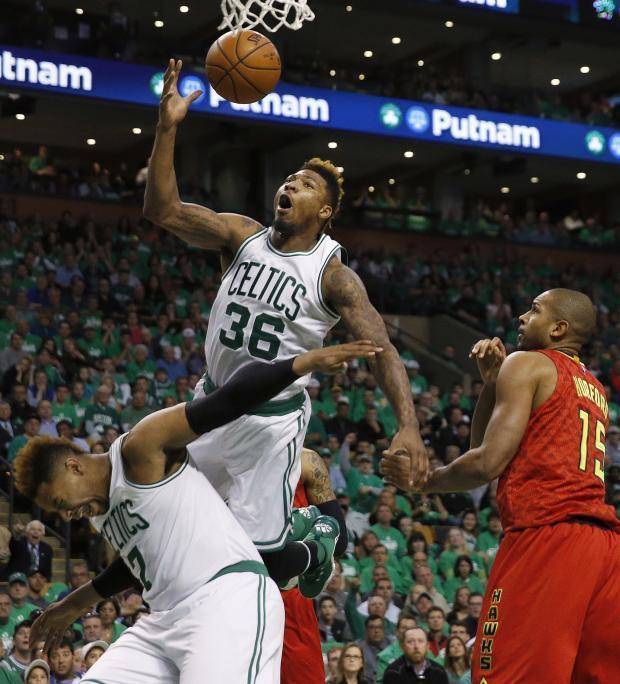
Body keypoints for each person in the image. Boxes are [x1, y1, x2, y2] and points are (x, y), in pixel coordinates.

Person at [144, 59, 427, 595]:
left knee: (263, 566)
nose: (290, 185)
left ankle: (317, 539)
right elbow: (162, 210)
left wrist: (408, 426)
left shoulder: (335, 277)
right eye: (289, 179)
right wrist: (168, 126)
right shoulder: (241, 235)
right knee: (162, 525)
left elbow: (383, 349)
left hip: (269, 425)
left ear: (324, 212)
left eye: (305, 185)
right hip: (210, 403)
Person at [16, 344, 375, 682]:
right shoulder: (99, 510)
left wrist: (303, 363)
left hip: (227, 600)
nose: (67, 516)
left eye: (61, 504)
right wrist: (75, 602)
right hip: (164, 621)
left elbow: (229, 400)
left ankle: (313, 549)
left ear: (73, 467)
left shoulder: (142, 448)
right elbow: (138, 562)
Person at [382, 289, 620, 683]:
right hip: (604, 548)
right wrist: (491, 385)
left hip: (548, 536)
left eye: (535, 310)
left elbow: (487, 462)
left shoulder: (527, 363)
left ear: (559, 328)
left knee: (503, 673)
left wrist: (424, 482)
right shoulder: (595, 390)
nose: (521, 318)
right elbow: (483, 448)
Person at [280, 447, 348, 684]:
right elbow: (339, 541)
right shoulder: (305, 458)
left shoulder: (306, 460)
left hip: (283, 589)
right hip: (281, 589)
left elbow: (341, 542)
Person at [383, 628, 449, 684]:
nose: (416, 646)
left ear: (428, 646)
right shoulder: (393, 672)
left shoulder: (439, 671)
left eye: (420, 641)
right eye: (410, 642)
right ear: (403, 647)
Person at [376, 615, 418, 683]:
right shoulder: (385, 656)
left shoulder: (425, 652)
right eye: (404, 628)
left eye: (411, 628)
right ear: (396, 631)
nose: (407, 631)